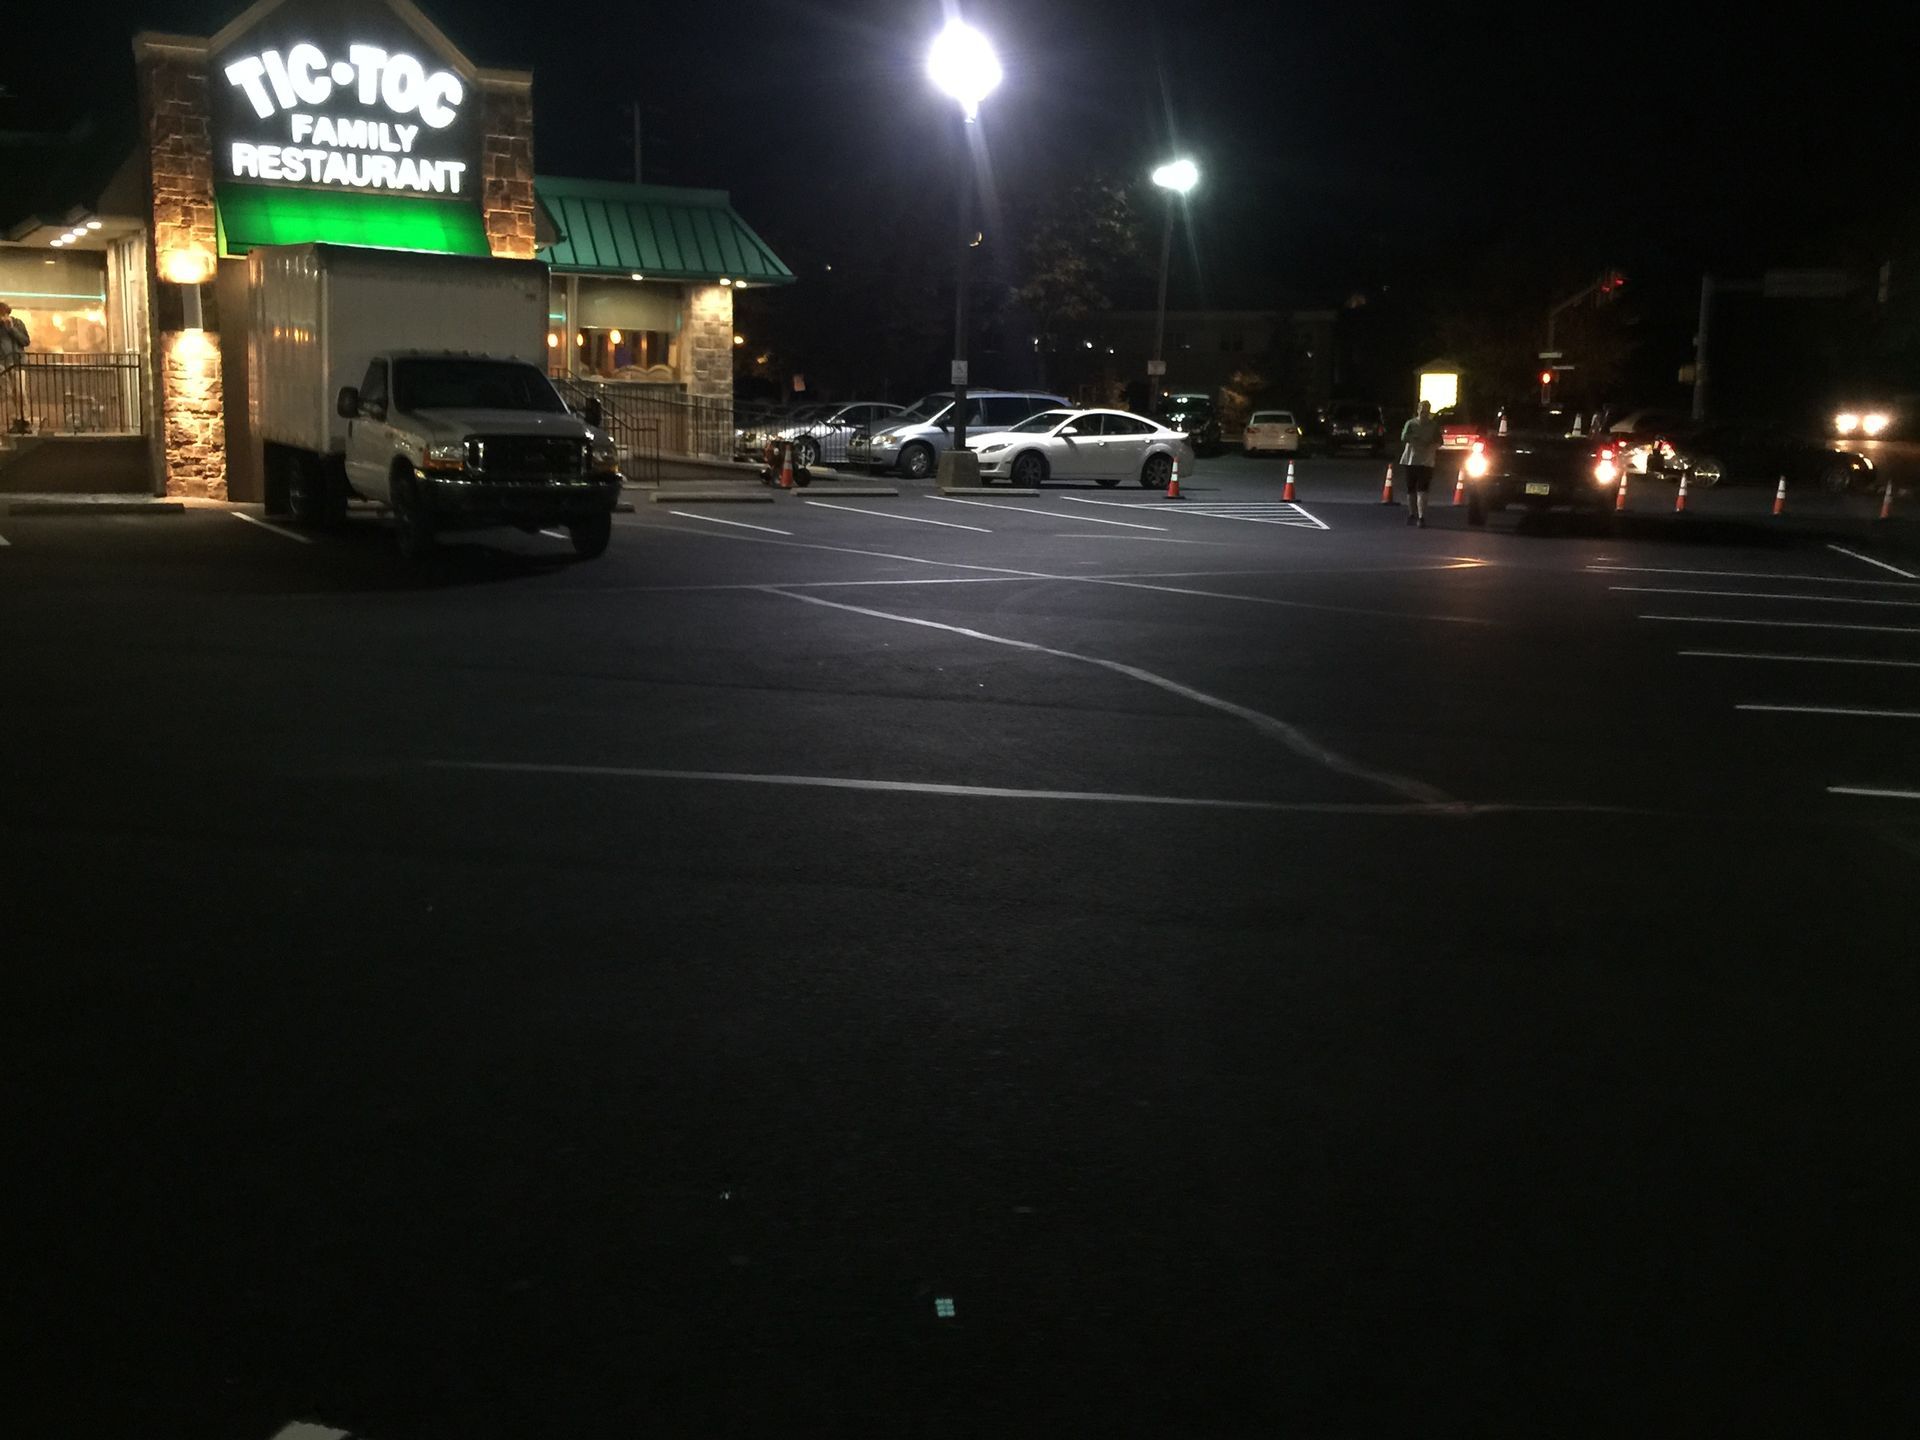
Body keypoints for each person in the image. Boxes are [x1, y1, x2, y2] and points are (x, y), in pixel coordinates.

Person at [1398, 398, 1442, 527]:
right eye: (1422, 411)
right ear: (1418, 411)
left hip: (1427, 461)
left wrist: (1431, 446)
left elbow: (1440, 441)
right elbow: (1403, 437)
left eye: (1426, 411)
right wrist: (1415, 440)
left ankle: (1421, 517)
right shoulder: (1410, 424)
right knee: (1411, 489)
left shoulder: (1433, 426)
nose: (1424, 414)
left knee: (1423, 489)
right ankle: (1412, 514)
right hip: (1411, 460)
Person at [0, 301, 31, 434]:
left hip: (18, 361)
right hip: (3, 363)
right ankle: (16, 420)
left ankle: (25, 420)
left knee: (20, 391)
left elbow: (25, 341)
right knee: (9, 393)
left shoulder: (18, 323)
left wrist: (12, 328)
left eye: (4, 314)